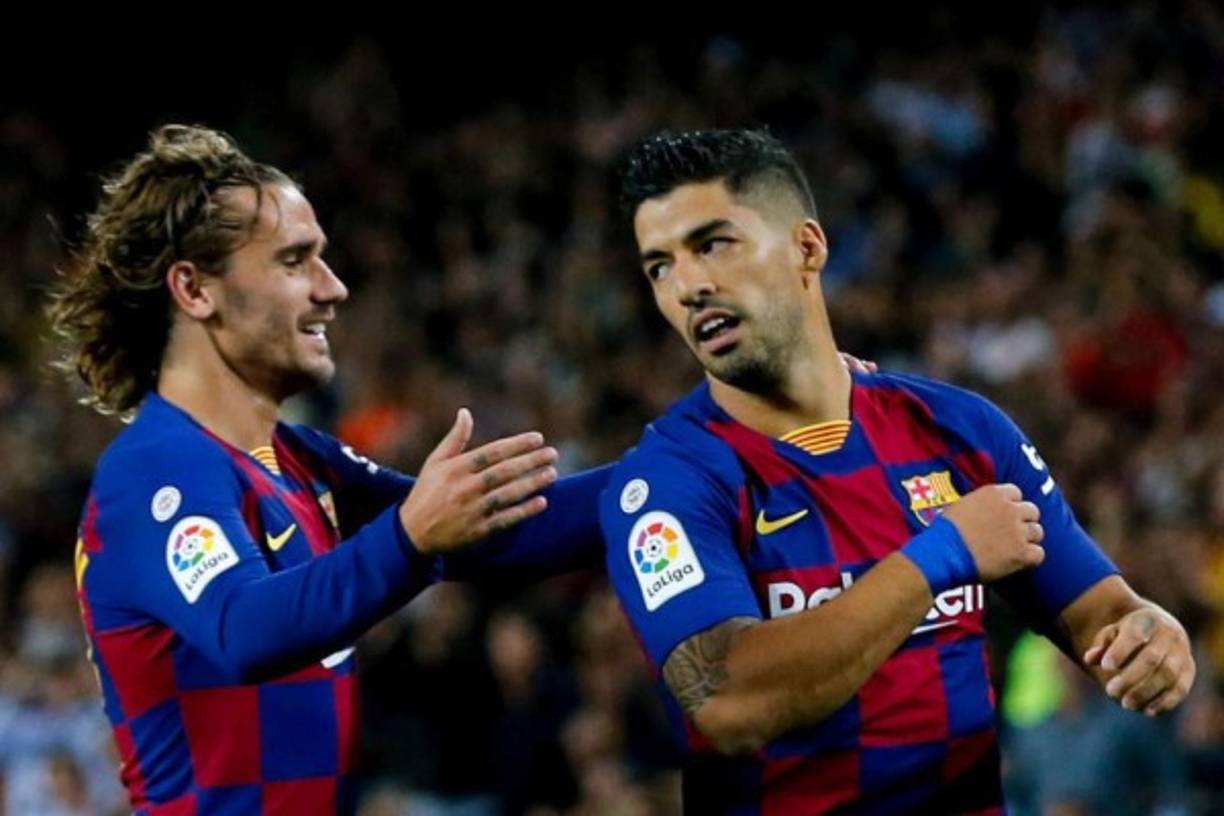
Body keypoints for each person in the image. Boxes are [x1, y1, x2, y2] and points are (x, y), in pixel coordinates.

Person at [600, 129, 1196, 813]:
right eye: (659, 267)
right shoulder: (670, 478)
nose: (689, 286)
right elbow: (729, 700)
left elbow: (1101, 611)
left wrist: (1151, 635)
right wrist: (940, 554)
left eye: (712, 244)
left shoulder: (960, 429)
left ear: (807, 247)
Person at [48, 124, 606, 815]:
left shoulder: (298, 462)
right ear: (194, 289)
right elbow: (245, 630)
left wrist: (681, 464)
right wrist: (406, 538)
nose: (333, 288)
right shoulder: (153, 473)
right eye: (294, 261)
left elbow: (485, 534)